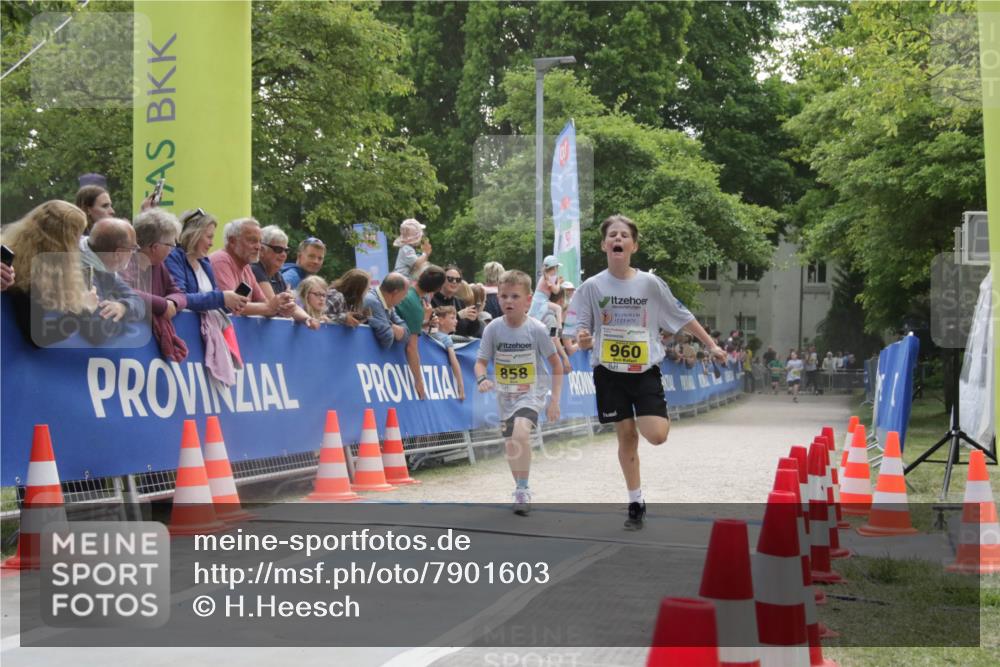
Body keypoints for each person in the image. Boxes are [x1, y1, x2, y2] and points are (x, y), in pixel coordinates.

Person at [567, 214, 725, 530]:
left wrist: (712, 345)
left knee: (656, 435)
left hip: (644, 371)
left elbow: (682, 316)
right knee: (626, 436)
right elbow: (578, 330)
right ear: (604, 245)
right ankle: (635, 501)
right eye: (613, 235)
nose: (618, 239)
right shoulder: (591, 287)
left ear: (633, 246)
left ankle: (643, 414)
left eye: (624, 235)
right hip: (609, 372)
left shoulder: (650, 284)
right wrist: (582, 338)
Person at [475, 269, 562, 516]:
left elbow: (556, 364)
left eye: (515, 296)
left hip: (531, 393)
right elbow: (480, 361)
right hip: (505, 396)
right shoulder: (493, 328)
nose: (508, 301)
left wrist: (553, 400)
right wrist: (482, 378)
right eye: (504, 296)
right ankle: (520, 487)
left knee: (521, 435)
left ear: (528, 299)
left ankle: (523, 490)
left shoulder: (536, 329)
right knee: (511, 444)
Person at [1, 201, 111, 346]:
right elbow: (38, 337)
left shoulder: (20, 258)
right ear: (63, 242)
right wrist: (82, 310)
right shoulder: (27, 274)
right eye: (77, 236)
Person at [211, 218, 319, 328]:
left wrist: (281, 308)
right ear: (232, 241)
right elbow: (233, 306)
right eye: (252, 240)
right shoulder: (222, 260)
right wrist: (271, 308)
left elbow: (264, 302)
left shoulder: (246, 267)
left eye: (259, 241)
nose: (258, 247)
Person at [165, 208, 248, 315]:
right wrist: (222, 298)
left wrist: (230, 305)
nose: (211, 243)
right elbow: (179, 298)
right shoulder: (173, 258)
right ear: (194, 235)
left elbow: (213, 302)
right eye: (209, 237)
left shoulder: (205, 262)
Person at [79, 217, 147, 325]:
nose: (133, 253)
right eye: (133, 248)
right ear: (118, 254)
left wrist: (123, 307)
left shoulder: (104, 265)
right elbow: (101, 328)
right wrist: (127, 323)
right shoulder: (83, 273)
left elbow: (139, 302)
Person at [395, 265, 446, 399]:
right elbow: (412, 348)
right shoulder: (415, 306)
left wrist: (424, 322)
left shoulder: (408, 294)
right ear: (437, 289)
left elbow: (408, 323)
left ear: (421, 275)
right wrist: (418, 381)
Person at [363, 272, 409, 349]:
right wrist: (391, 326)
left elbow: (407, 334)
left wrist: (389, 325)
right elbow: (387, 339)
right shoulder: (372, 301)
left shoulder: (389, 304)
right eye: (404, 294)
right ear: (395, 293)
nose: (404, 298)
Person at [432, 265, 481, 337]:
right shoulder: (432, 300)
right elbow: (433, 327)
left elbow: (470, 331)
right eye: (450, 279)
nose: (454, 282)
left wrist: (473, 320)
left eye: (458, 280)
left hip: (459, 344)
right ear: (441, 280)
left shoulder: (459, 302)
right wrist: (458, 316)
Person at [429, 306, 465, 401]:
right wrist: (461, 386)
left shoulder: (429, 334)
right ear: (440, 320)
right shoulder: (446, 338)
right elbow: (454, 361)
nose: (456, 321)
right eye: (452, 318)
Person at [528, 254, 562, 320]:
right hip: (541, 302)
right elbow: (556, 291)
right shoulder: (547, 277)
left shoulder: (546, 276)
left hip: (541, 301)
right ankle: (559, 329)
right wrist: (559, 282)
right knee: (558, 309)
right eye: (557, 267)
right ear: (554, 268)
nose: (557, 269)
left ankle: (554, 330)